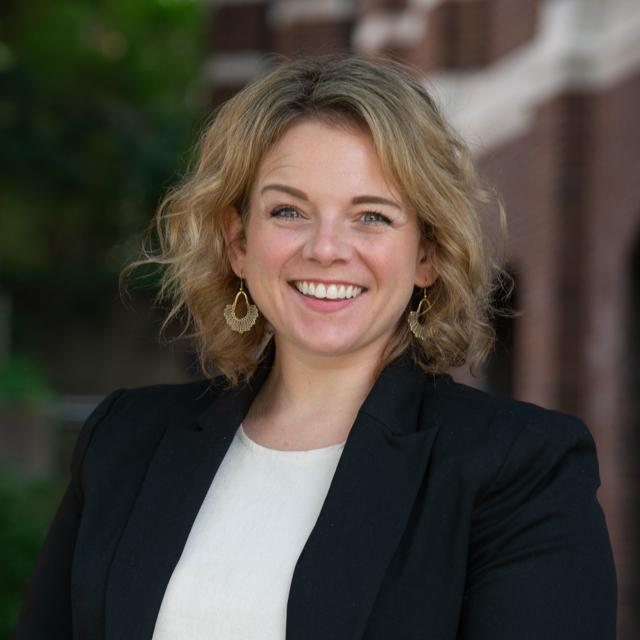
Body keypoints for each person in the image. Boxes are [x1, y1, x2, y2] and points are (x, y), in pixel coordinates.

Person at [13, 55, 616, 639]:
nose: (326, 248)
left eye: (371, 217)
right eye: (289, 211)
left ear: (426, 254)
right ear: (238, 242)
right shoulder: (123, 440)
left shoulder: (521, 468)